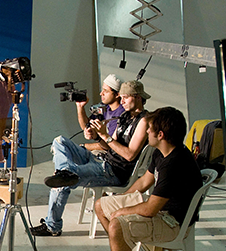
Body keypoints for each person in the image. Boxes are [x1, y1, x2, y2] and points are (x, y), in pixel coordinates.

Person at [93, 106, 202, 251]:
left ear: (160, 135)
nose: (147, 132)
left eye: (150, 129)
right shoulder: (161, 152)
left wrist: (121, 211)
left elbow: (151, 209)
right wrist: (122, 199)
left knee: (117, 223)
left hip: (173, 222)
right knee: (101, 205)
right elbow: (144, 182)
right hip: (159, 209)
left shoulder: (175, 163)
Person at [31, 80, 151, 237]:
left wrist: (105, 136)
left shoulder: (144, 121)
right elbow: (108, 147)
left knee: (63, 180)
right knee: (60, 141)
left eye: (125, 98)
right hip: (103, 160)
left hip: (114, 171)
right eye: (121, 97)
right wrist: (97, 136)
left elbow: (130, 155)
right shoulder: (125, 116)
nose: (122, 102)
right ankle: (65, 173)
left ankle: (52, 226)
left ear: (138, 97)